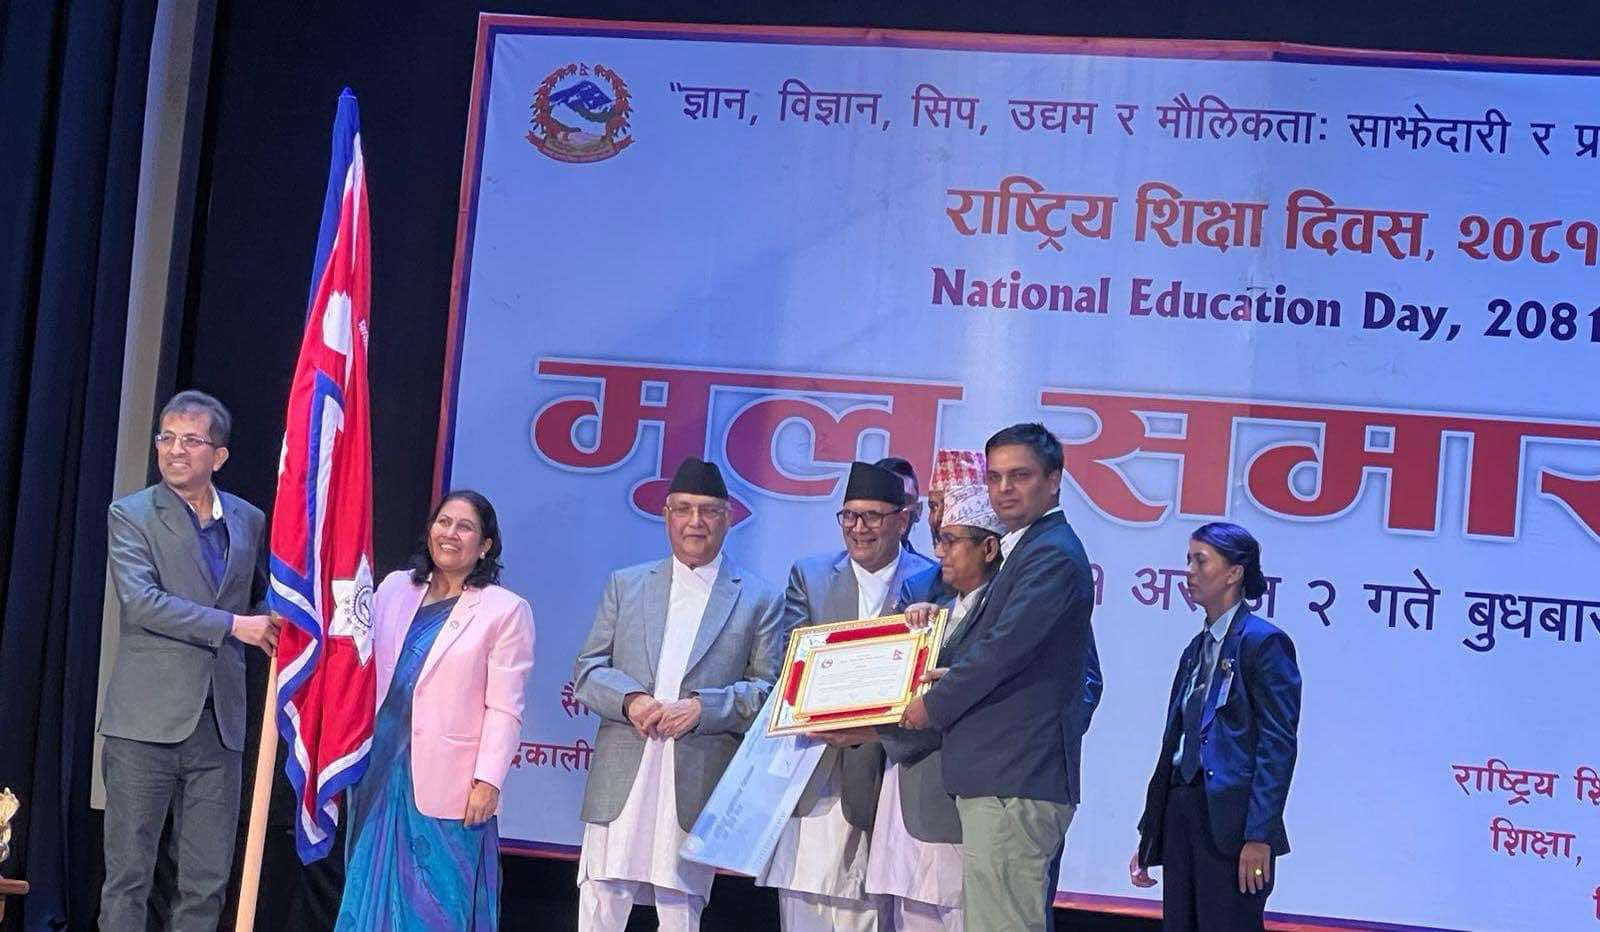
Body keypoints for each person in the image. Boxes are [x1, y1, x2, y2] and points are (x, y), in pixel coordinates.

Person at [573, 457, 785, 930]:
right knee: (602, 896)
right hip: (624, 767)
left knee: (679, 906)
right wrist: (631, 700)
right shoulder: (627, 585)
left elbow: (768, 690)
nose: (695, 522)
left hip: (694, 772)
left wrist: (701, 708)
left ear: (728, 518)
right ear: (666, 514)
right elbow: (588, 671)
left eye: (708, 510)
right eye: (684, 509)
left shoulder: (759, 598)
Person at [901, 423, 1098, 932]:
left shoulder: (1051, 554)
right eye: (995, 477)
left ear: (1054, 480)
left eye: (1021, 475)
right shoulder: (1028, 548)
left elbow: (1003, 650)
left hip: (1016, 777)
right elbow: (1009, 652)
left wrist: (932, 703)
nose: (1005, 488)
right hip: (1005, 777)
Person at [99, 390, 276, 931]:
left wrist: (282, 616)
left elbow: (259, 598)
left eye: (191, 440)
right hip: (144, 725)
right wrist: (234, 626)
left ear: (218, 456)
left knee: (206, 881)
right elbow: (143, 603)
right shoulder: (131, 515)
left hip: (219, 727)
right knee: (129, 877)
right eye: (167, 438)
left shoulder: (247, 519)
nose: (175, 450)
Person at [335, 490, 535, 930]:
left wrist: (488, 782)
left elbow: (505, 708)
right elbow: (355, 655)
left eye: (465, 527)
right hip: (379, 766)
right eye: (444, 522)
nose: (450, 534)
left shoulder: (505, 611)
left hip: (452, 783)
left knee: (437, 904)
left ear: (485, 545)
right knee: (367, 888)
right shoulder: (394, 588)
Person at [757, 461, 935, 930]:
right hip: (814, 767)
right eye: (849, 516)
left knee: (874, 911)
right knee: (804, 906)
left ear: (903, 519)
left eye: (873, 516)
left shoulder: (931, 579)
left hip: (887, 774)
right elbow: (790, 662)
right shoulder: (811, 574)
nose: (859, 528)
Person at [1129, 523, 1301, 932]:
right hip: (1182, 810)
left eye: (1200, 561)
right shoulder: (1195, 649)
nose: (1189, 571)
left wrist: (1259, 835)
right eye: (1188, 560)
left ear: (1234, 573)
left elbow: (1277, 745)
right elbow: (1174, 744)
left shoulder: (1263, 643)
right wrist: (1150, 832)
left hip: (1232, 823)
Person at [861, 484, 1006, 930]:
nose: (938, 551)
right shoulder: (929, 602)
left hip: (962, 793)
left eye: (951, 540)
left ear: (989, 548)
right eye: (939, 538)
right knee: (910, 913)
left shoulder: (1013, 612)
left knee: (958, 912)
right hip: (908, 788)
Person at [896, 449, 986, 608]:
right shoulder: (918, 591)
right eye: (933, 506)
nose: (937, 518)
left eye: (950, 506)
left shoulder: (1013, 581)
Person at [874, 456, 924, 555]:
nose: (891, 509)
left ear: (918, 511)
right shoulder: (840, 564)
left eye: (903, 499)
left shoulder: (932, 567)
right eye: (882, 499)